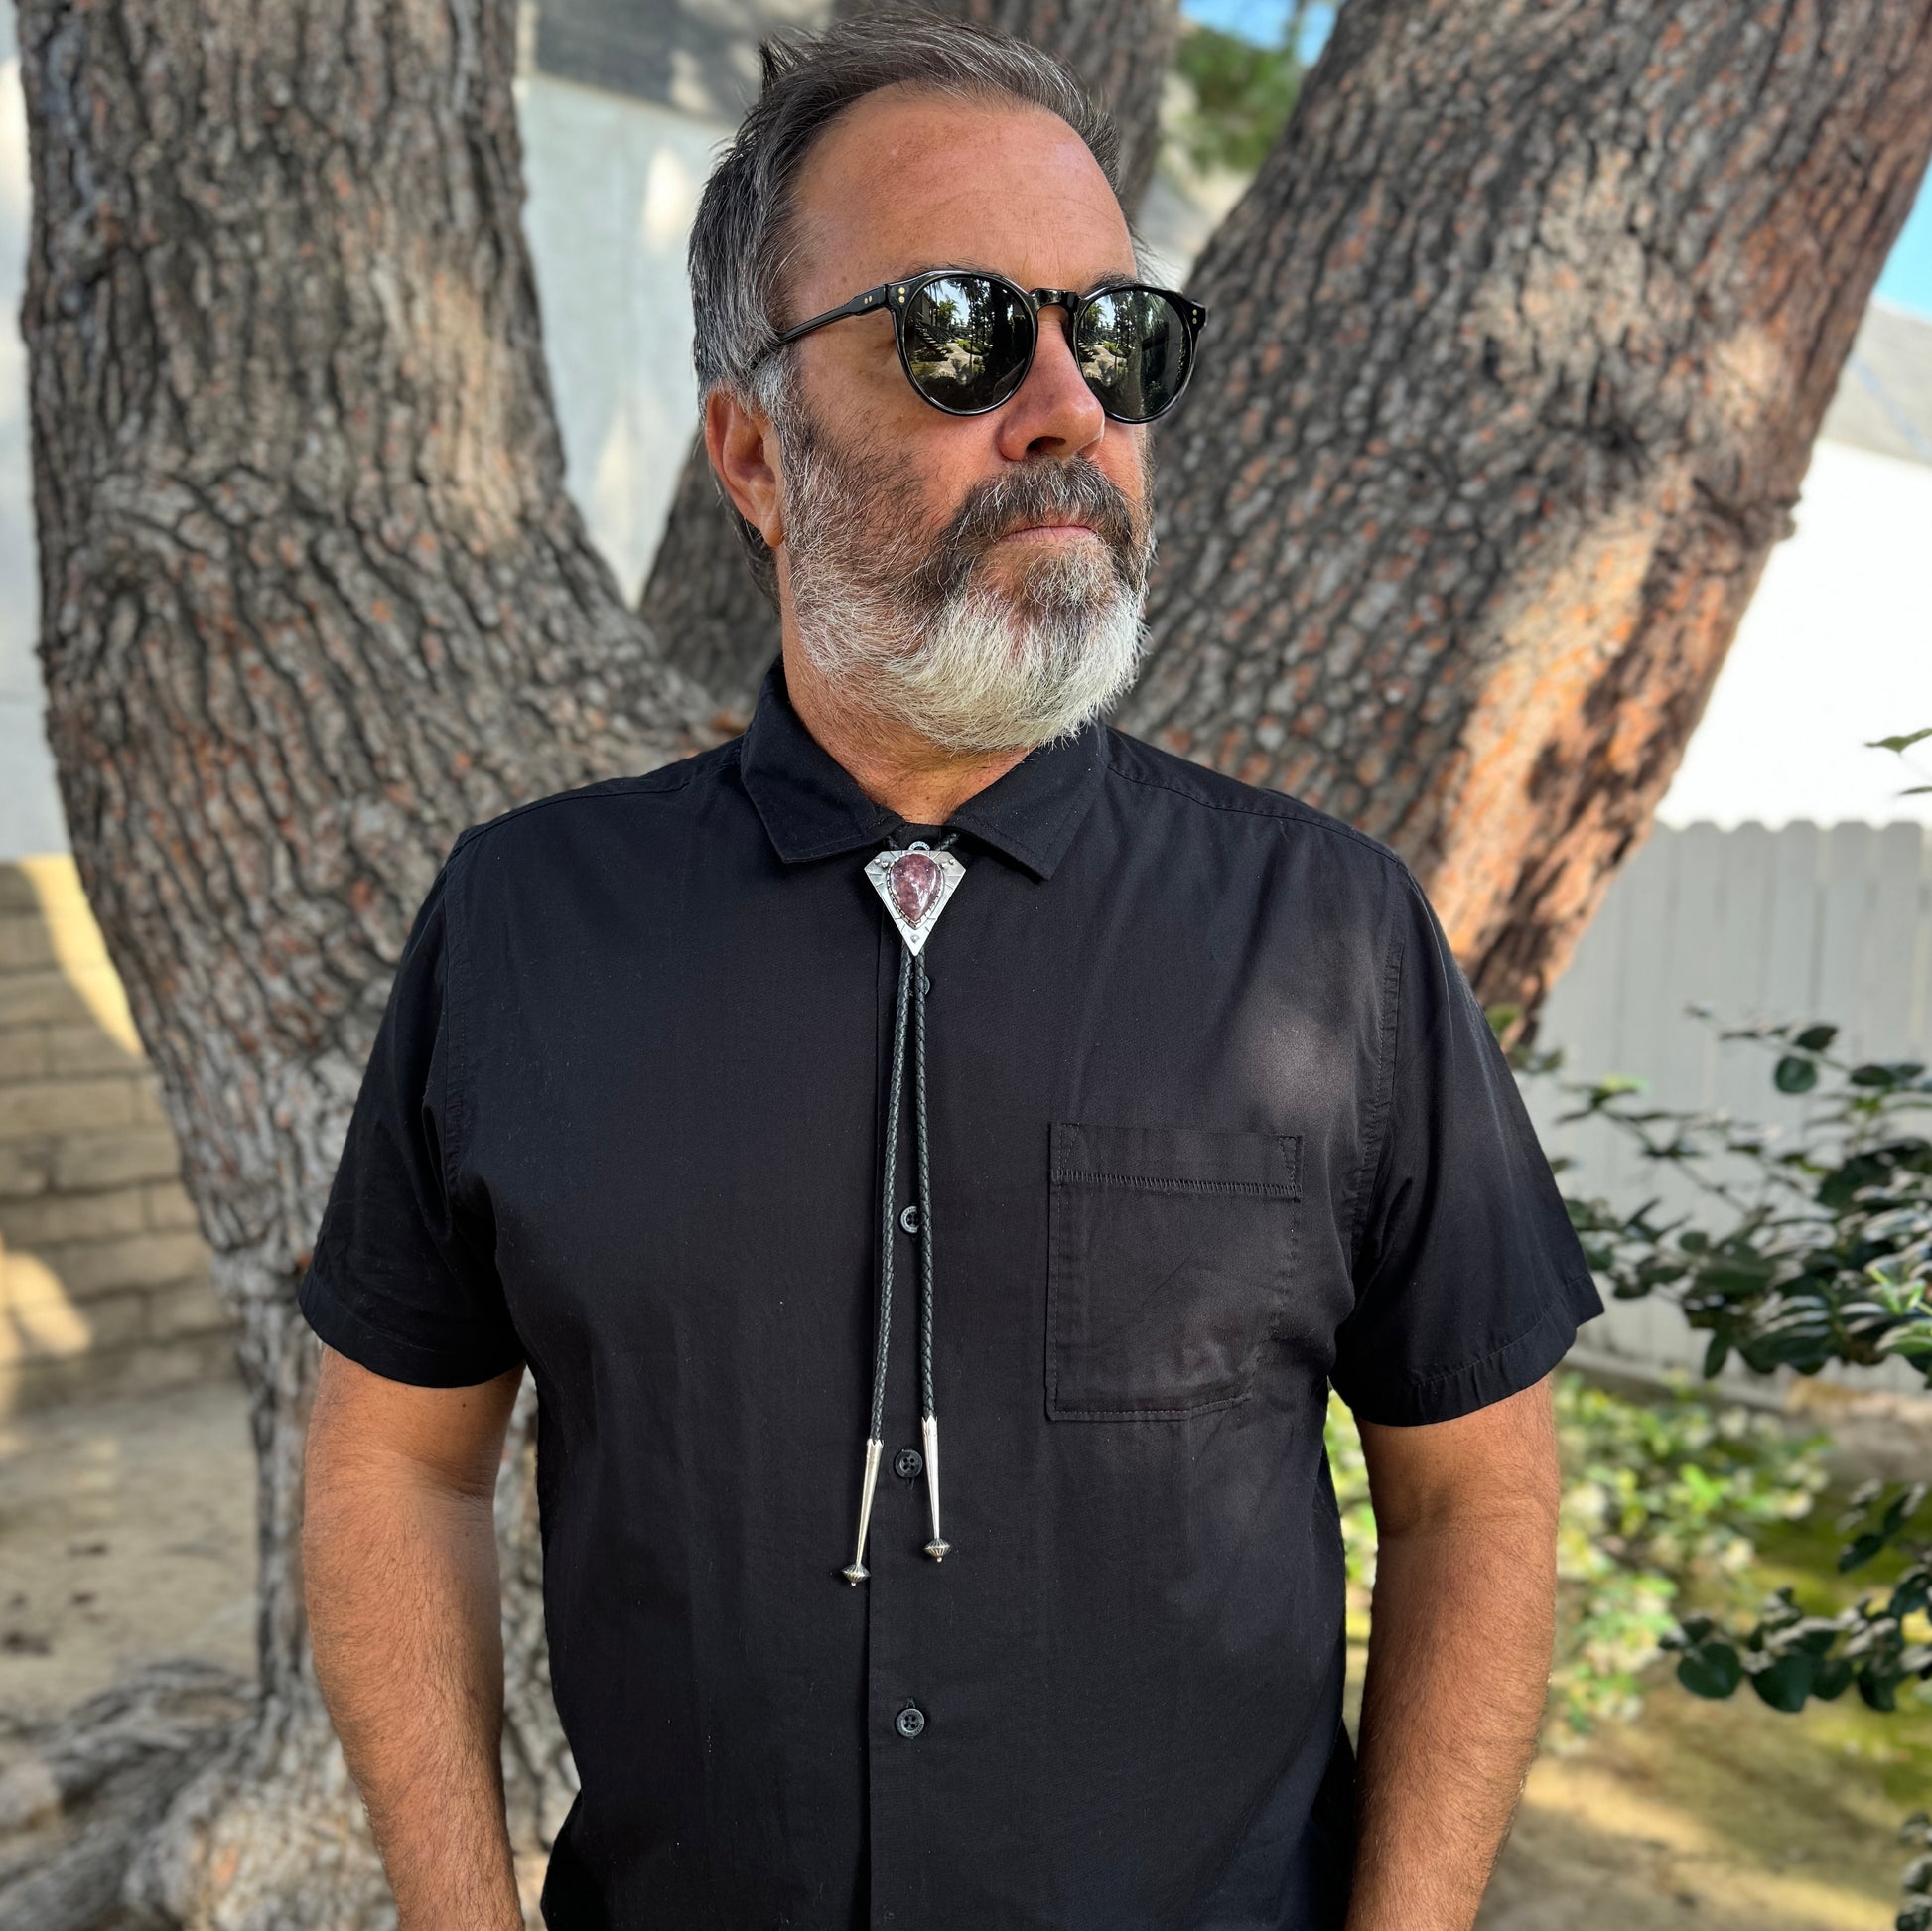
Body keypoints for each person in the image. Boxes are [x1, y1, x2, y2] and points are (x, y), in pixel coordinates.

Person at [298, 15, 1602, 1930]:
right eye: (961, 330)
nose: (1069, 404)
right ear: (751, 449)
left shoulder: (1330, 933)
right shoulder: (519, 926)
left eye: (1120, 337)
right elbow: (395, 1462)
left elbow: (1472, 1492)